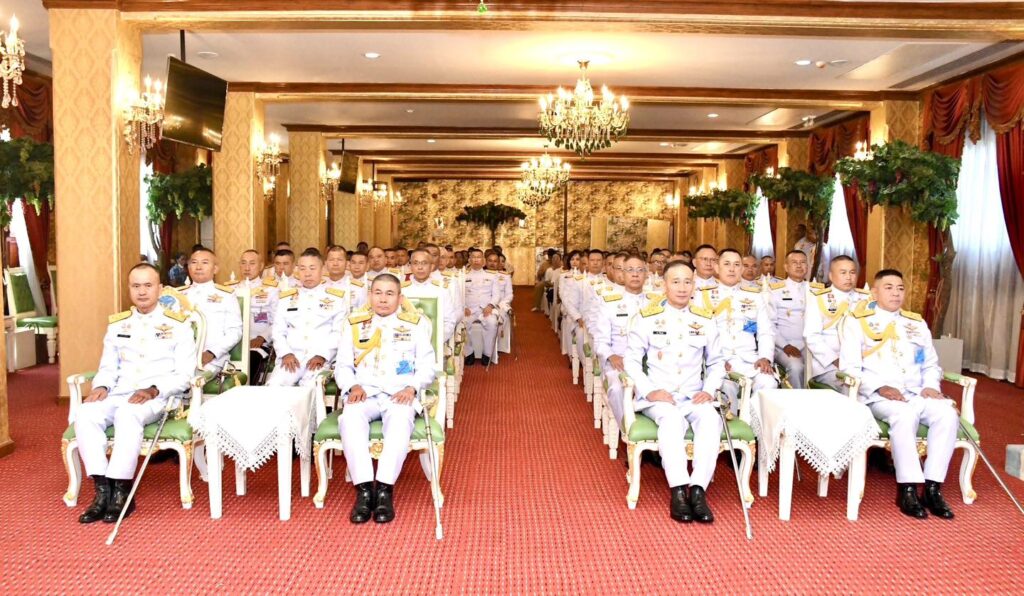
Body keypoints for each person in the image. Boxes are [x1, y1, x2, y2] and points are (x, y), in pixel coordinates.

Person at [74, 263, 196, 524]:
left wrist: (154, 389)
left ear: (160, 289)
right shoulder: (118, 324)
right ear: (129, 289)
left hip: (158, 397)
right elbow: (108, 367)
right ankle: (102, 490)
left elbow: (185, 374)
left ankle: (122, 493)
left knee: (128, 415)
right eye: (136, 286)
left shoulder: (178, 325)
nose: (142, 292)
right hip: (119, 393)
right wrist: (101, 386)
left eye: (148, 285)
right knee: (85, 414)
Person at [839, 269, 957, 520]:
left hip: (916, 393)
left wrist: (931, 386)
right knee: (904, 416)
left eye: (900, 288)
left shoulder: (916, 323)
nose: (896, 293)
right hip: (878, 396)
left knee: (947, 414)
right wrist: (879, 387)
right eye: (889, 287)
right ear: (874, 292)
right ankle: (908, 489)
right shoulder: (857, 321)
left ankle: (933, 487)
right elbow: (849, 368)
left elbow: (930, 364)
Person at [624, 260, 724, 524]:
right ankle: (678, 490)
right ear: (664, 284)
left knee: (711, 419)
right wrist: (649, 391)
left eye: (687, 282)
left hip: (693, 395)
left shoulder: (705, 319)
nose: (682, 287)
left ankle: (698, 490)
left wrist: (709, 390)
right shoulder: (647, 318)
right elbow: (631, 361)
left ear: (694, 285)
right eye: (676, 281)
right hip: (660, 396)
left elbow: (716, 362)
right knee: (671, 420)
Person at [336, 274, 436, 524]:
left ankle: (384, 491)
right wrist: (352, 385)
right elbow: (343, 366)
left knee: (400, 421)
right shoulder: (354, 324)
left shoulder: (414, 325)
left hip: (398, 393)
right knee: (349, 418)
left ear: (400, 298)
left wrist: (412, 387)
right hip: (365, 392)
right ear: (370, 296)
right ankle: (363, 491)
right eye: (378, 293)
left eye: (389, 293)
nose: (383, 299)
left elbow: (427, 367)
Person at [695, 248, 777, 412]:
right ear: (717, 268)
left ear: (741, 269)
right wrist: (716, 360)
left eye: (737, 265)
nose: (732, 269)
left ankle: (752, 421)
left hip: (750, 361)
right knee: (726, 387)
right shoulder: (703, 296)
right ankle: (731, 426)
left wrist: (765, 357)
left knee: (769, 383)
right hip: (720, 361)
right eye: (727, 264)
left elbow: (765, 331)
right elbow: (699, 334)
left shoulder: (755, 296)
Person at [266, 248, 349, 387]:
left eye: (312, 268)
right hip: (291, 358)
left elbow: (339, 332)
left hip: (320, 360)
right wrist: (286, 353)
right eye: (303, 269)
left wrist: (322, 355)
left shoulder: (336, 298)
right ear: (297, 271)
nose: (307, 273)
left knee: (311, 389)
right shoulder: (287, 298)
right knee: (273, 386)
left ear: (322, 270)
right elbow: (278, 331)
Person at [591, 255, 649, 426]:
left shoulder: (656, 303)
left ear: (646, 274)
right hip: (620, 362)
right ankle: (628, 429)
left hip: (651, 364)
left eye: (639, 270)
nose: (635, 274)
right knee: (617, 389)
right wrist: (611, 356)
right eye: (630, 270)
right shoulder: (610, 303)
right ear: (622, 274)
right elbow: (600, 341)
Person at [804, 255, 868, 388]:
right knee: (853, 388)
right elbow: (812, 336)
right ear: (831, 276)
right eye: (843, 273)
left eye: (852, 272)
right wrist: (835, 359)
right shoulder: (819, 299)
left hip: (863, 363)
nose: (849, 277)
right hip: (830, 365)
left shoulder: (866, 299)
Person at [180, 248, 242, 374]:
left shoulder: (226, 295)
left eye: (204, 263)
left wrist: (212, 352)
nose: (198, 267)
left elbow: (235, 331)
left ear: (215, 269)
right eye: (194, 262)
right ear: (188, 267)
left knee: (191, 380)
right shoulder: (178, 295)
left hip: (211, 360)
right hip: (180, 359)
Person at [766, 250, 809, 388]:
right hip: (784, 345)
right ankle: (795, 400)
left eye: (802, 262)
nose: (799, 266)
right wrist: (785, 345)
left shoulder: (815, 290)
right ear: (786, 267)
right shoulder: (775, 290)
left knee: (825, 367)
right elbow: (769, 324)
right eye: (794, 262)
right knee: (796, 367)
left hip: (811, 345)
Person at [236, 249, 279, 385]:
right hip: (234, 344)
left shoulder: (271, 290)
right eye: (243, 263)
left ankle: (248, 392)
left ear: (261, 266)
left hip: (258, 344)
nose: (247, 268)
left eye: (252, 263)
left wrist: (262, 337)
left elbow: (277, 322)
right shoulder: (231, 290)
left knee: (251, 359)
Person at [403, 248, 457, 342]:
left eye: (424, 263)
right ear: (410, 266)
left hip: (435, 341)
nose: (420, 267)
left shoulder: (441, 290)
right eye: (415, 263)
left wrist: (436, 340)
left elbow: (449, 321)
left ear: (432, 266)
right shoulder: (402, 290)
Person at [463, 248, 501, 366]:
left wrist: (490, 306)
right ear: (469, 260)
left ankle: (487, 354)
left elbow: (496, 295)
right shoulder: (463, 276)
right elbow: (459, 295)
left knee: (492, 322)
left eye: (479, 257)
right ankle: (469, 353)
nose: (476, 260)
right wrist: (464, 307)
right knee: (463, 323)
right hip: (470, 310)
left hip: (486, 309)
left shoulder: (492, 276)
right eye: (473, 257)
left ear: (483, 260)